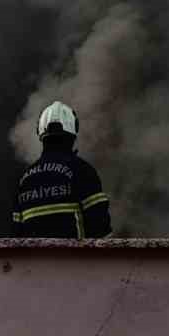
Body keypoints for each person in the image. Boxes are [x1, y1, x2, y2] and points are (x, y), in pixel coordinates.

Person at [12, 100, 112, 239]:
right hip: (74, 254)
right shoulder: (83, 171)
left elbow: (16, 233)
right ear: (73, 132)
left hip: (35, 254)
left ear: (40, 132)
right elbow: (101, 228)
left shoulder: (24, 180)